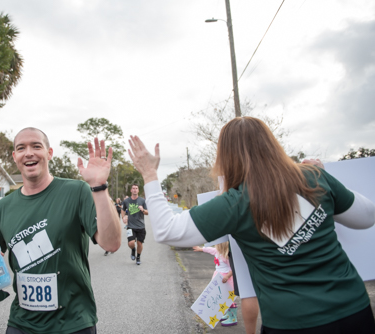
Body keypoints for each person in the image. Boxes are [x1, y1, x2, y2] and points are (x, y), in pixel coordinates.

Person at [128, 116, 375, 333]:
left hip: (291, 322)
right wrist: (325, 175)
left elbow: (165, 230)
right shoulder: (313, 177)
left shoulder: (233, 204)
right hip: (355, 310)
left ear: (226, 156)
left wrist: (150, 174)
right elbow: (367, 217)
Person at [0, 127, 120, 334]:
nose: (29, 152)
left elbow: (111, 243)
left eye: (36, 146)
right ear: (15, 157)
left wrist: (99, 187)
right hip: (22, 322)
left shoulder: (76, 191)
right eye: (21, 148)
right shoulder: (2, 208)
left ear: (49, 153)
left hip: (74, 321)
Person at [193, 242, 238, 326]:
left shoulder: (226, 256)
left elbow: (234, 268)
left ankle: (233, 317)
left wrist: (228, 276)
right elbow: (210, 249)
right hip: (218, 277)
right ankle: (228, 314)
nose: (216, 247)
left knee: (227, 298)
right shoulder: (217, 251)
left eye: (217, 245)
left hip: (226, 279)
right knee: (221, 297)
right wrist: (201, 249)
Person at [122, 184, 148, 265]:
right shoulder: (126, 201)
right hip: (130, 226)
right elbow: (123, 210)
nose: (135, 190)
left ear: (138, 190)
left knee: (140, 243)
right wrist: (123, 217)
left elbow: (147, 212)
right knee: (131, 243)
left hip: (141, 226)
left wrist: (142, 209)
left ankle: (138, 257)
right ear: (131, 190)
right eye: (133, 188)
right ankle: (133, 250)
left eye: (136, 188)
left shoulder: (142, 201)